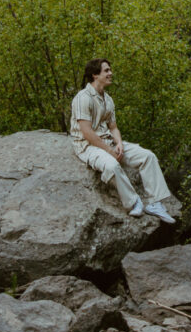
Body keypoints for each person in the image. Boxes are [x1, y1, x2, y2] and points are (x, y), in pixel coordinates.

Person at [69, 58, 176, 224]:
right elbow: (87, 132)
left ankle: (155, 203)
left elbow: (113, 127)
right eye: (106, 71)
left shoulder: (108, 99)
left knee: (148, 156)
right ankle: (134, 202)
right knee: (111, 165)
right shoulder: (83, 98)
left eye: (110, 70)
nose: (111, 73)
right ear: (95, 75)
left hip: (108, 141)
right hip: (87, 146)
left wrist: (118, 143)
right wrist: (109, 151)